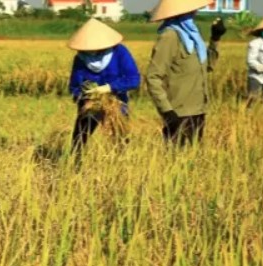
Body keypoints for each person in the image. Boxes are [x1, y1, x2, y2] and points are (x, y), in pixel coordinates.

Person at [146, 0, 225, 146]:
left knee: (194, 158)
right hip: (178, 112)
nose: (195, 13)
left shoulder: (193, 36)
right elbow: (153, 77)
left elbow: (207, 66)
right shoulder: (169, 37)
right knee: (176, 158)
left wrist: (215, 39)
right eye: (191, 11)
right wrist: (167, 111)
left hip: (198, 108)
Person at [66, 18, 142, 155]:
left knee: (120, 140)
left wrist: (108, 88)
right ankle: (74, 166)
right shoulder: (80, 58)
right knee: (79, 139)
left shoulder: (120, 53)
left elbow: (133, 80)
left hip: (116, 104)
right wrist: (85, 94)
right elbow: (73, 86)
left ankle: (122, 166)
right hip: (89, 105)